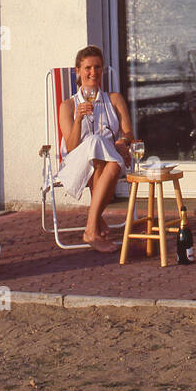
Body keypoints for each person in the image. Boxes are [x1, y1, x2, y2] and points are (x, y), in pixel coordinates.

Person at [58, 45, 134, 253]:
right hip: (77, 163)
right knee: (94, 141)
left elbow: (129, 134)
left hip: (111, 161)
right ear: (78, 71)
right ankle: (94, 225)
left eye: (98, 67)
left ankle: (92, 227)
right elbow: (72, 147)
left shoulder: (114, 99)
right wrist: (79, 118)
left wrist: (122, 143)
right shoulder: (68, 106)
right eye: (88, 68)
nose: (93, 72)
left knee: (108, 161)